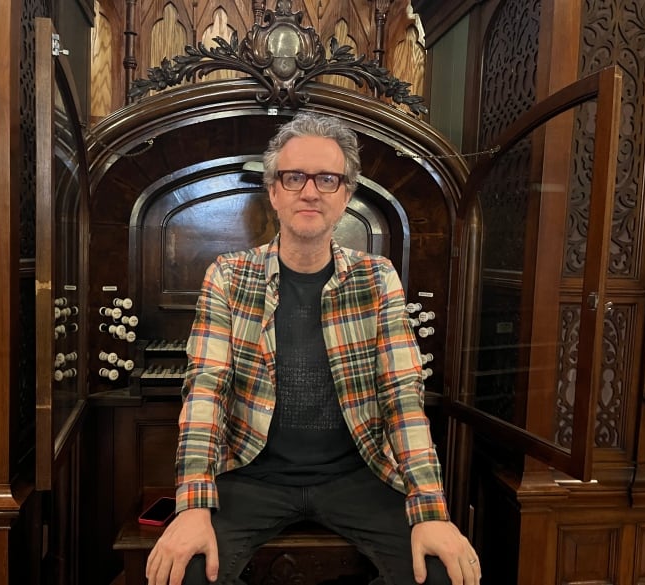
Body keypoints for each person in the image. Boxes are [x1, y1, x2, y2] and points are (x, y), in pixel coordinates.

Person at [145, 112, 481, 585]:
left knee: (443, 574)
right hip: (251, 474)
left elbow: (403, 398)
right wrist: (193, 506)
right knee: (185, 574)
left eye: (327, 178)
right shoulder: (228, 275)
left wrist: (431, 509)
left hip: (357, 474)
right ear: (274, 190)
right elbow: (206, 393)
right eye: (294, 177)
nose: (310, 191)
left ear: (345, 194)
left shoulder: (377, 277)